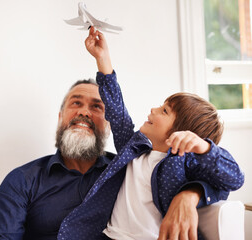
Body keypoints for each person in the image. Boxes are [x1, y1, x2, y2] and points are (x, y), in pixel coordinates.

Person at [0, 31, 223, 240]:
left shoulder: (124, 168)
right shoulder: (22, 180)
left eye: (97, 106)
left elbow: (221, 180)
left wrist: (190, 194)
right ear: (60, 117)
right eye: (75, 103)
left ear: (109, 125)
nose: (83, 112)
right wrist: (103, 60)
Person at [57, 27, 244, 240]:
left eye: (165, 111)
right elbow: (116, 109)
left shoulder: (184, 162)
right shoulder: (133, 148)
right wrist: (103, 58)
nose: (154, 109)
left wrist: (203, 147)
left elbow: (234, 178)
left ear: (182, 132)